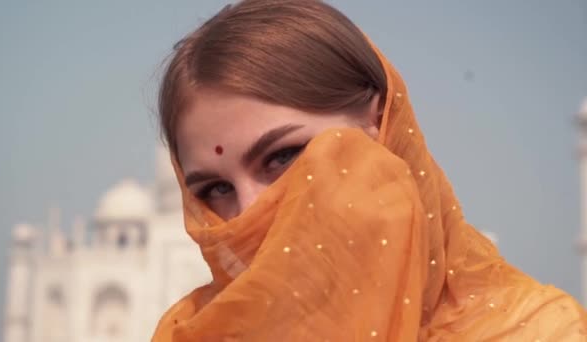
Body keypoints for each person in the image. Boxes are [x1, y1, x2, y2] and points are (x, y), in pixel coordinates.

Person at [151, 0, 587, 340]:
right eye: (215, 189)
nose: (249, 211)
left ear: (381, 127)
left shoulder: (539, 332)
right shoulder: (194, 332)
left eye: (283, 157)